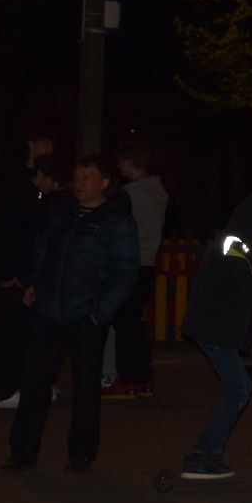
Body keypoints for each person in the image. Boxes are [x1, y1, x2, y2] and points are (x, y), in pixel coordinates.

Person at [5, 156, 140, 473]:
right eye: (77, 176)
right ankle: (23, 452)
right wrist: (34, 282)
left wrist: (99, 313)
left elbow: (125, 271)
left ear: (104, 182)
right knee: (35, 383)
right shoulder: (60, 210)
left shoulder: (116, 220)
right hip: (49, 310)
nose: (79, 182)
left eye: (87, 177)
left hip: (85, 315)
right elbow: (43, 247)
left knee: (86, 389)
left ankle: (80, 453)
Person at [179, 196, 252, 478]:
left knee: (238, 390)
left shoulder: (235, 246)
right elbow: (248, 288)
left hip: (213, 329)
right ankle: (200, 454)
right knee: (238, 390)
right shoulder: (233, 246)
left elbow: (245, 283)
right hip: (213, 330)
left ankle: (210, 452)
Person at [0, 155, 64, 409]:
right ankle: (5, 391)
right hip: (10, 278)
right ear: (44, 176)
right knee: (12, 336)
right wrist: (11, 275)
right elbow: (12, 239)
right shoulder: (25, 198)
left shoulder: (20, 193)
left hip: (1, 275)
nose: (55, 189)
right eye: (54, 182)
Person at [104, 139, 169, 398]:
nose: (118, 166)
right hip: (148, 260)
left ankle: (129, 376)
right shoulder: (159, 191)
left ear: (130, 163)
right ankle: (141, 376)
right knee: (135, 320)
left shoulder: (129, 194)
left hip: (129, 261)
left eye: (121, 161)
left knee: (124, 321)